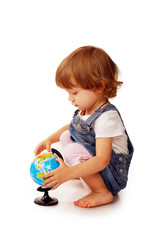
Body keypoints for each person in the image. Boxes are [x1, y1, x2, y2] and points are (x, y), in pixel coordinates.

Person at [34, 46, 134, 208]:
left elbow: (102, 160)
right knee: (66, 136)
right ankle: (85, 174)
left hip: (112, 176)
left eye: (74, 92)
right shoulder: (87, 110)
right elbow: (73, 127)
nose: (69, 98)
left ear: (99, 86)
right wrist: (51, 139)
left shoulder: (107, 118)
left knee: (71, 150)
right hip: (100, 169)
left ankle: (101, 191)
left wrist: (68, 173)